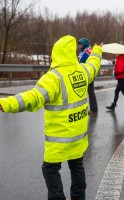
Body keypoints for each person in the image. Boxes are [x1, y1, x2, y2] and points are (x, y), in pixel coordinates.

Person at [0, 35, 102, 200]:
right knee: (77, 166)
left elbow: (33, 97)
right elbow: (94, 65)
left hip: (59, 139)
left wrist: (6, 103)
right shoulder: (83, 71)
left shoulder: (53, 78)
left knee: (50, 169)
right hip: (78, 137)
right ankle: (78, 197)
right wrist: (97, 50)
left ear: (56, 53)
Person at [78, 38, 98, 114]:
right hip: (87, 73)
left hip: (88, 73)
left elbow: (82, 62)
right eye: (79, 44)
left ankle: (93, 109)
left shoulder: (87, 51)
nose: (80, 46)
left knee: (90, 91)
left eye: (81, 44)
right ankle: (93, 108)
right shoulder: (85, 50)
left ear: (85, 44)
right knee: (89, 91)